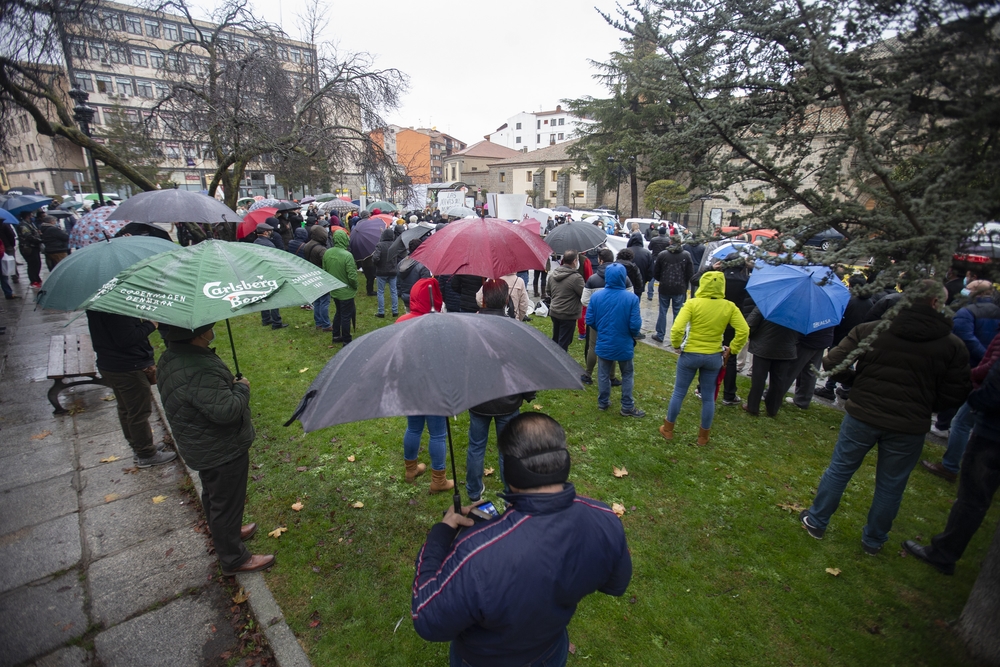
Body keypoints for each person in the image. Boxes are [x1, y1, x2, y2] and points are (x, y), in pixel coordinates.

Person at [411, 413, 632, 667]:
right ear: (564, 460)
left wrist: (441, 534)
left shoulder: (477, 554)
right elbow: (617, 583)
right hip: (550, 651)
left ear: (511, 469)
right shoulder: (605, 519)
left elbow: (427, 617)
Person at [800, 280, 971, 555]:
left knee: (843, 469)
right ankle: (870, 539)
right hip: (900, 420)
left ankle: (823, 521)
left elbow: (832, 361)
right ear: (938, 304)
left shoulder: (875, 332)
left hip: (874, 415)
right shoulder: (952, 345)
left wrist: (855, 382)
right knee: (889, 484)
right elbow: (957, 390)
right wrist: (856, 381)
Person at [156, 322, 275, 575]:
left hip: (203, 445)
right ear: (199, 334)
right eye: (210, 327)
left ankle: (226, 532)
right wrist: (242, 387)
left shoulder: (173, 355)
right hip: (220, 449)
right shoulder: (197, 368)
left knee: (215, 495)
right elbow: (227, 411)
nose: (214, 329)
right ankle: (233, 558)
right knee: (225, 501)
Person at [903, 354, 1000, 574]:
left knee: (972, 500)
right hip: (991, 433)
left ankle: (944, 554)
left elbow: (993, 393)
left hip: (992, 437)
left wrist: (974, 397)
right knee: (974, 500)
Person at [465, 280, 536, 501]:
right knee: (507, 448)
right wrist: (527, 394)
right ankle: (509, 492)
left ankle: (474, 491)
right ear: (506, 300)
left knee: (477, 446)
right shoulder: (514, 329)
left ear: (483, 299)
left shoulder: (470, 327)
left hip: (480, 398)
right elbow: (524, 365)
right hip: (506, 397)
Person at [661, 271, 749, 445]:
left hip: (690, 355)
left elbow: (677, 328)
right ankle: (703, 437)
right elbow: (744, 330)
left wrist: (677, 345)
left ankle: (668, 429)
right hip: (713, 356)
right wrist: (732, 349)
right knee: (709, 397)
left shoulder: (692, 303)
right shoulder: (729, 306)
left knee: (679, 392)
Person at [86, 310, 176, 467]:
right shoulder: (116, 310)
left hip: (111, 363)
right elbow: (126, 338)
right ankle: (146, 454)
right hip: (126, 367)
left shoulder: (100, 303)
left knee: (126, 408)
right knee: (138, 411)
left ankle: (140, 446)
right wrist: (150, 324)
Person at [396, 278, 453, 492]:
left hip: (410, 385)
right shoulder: (441, 324)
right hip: (435, 386)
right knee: (437, 433)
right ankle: (438, 479)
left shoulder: (402, 321)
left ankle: (411, 469)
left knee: (414, 427)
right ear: (436, 297)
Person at [921, 331, 1000, 482]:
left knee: (961, 423)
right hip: (984, 388)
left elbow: (992, 366)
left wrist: (970, 374)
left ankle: (950, 466)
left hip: (985, 390)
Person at [586, 263, 645, 418]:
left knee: (603, 373)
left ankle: (603, 402)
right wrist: (630, 334)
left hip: (605, 339)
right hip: (624, 341)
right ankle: (627, 406)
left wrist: (603, 328)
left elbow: (590, 319)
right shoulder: (631, 298)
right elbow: (635, 325)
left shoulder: (596, 296)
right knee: (627, 373)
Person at [815, 274, 873, 400]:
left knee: (835, 360)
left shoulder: (848, 299)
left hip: (841, 335)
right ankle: (845, 388)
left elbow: (838, 316)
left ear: (851, 285)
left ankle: (830, 387)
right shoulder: (869, 301)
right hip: (857, 337)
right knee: (848, 361)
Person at [580, 249, 629, 385]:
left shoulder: (593, 279)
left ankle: (588, 374)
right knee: (611, 344)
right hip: (616, 318)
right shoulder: (624, 279)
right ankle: (611, 377)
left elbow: (584, 300)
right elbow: (630, 296)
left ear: (600, 260)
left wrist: (598, 306)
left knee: (593, 346)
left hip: (597, 317)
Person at [742, 305, 799, 417]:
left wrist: (753, 336)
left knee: (758, 378)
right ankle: (773, 408)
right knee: (779, 380)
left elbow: (751, 323)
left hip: (764, 346)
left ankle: (753, 406)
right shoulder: (799, 308)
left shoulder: (767, 302)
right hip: (786, 348)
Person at [650, 238, 694, 343]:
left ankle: (660, 334)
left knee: (662, 311)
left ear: (670, 242)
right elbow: (690, 273)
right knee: (678, 312)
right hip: (679, 287)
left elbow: (656, 272)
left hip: (665, 286)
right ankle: (676, 336)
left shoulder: (662, 255)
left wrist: (661, 279)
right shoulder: (686, 255)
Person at [952, 279, 1000, 367]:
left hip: (971, 363)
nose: (964, 291)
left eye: (968, 288)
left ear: (978, 292)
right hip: (993, 364)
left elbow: (965, 337)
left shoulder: (966, 311)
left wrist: (985, 357)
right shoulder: (997, 309)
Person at [546, 250, 585, 351]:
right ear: (574, 261)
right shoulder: (576, 278)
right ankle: (560, 364)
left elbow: (548, 291)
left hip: (555, 311)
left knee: (556, 339)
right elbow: (584, 295)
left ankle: (554, 359)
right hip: (568, 313)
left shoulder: (553, 275)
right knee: (563, 343)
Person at [253, 223, 288, 330]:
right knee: (274, 296)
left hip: (259, 273)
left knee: (263, 295)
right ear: (265, 232)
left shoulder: (255, 242)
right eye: (269, 231)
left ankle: (266, 319)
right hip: (269, 272)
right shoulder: (269, 245)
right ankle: (276, 322)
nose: (270, 232)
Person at [299, 225, 332, 331]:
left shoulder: (307, 245)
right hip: (322, 275)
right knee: (324, 301)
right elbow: (327, 263)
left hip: (312, 274)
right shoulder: (321, 249)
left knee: (317, 300)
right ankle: (326, 324)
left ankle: (318, 323)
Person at [371, 227, 403, 317]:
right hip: (393, 271)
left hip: (381, 271)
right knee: (394, 291)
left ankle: (381, 312)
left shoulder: (380, 245)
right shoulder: (394, 245)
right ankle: (395, 311)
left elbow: (375, 258)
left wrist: (376, 263)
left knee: (380, 292)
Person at [397, 238, 432, 311]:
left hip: (406, 298)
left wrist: (400, 293)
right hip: (420, 299)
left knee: (409, 318)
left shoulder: (401, 263)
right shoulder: (423, 265)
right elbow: (426, 285)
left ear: (409, 249)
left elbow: (398, 281)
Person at [16, 212, 43, 288]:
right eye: (31, 214)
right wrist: (39, 240)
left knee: (37, 263)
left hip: (34, 247)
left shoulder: (30, 223)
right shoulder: (23, 225)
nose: (32, 216)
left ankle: (37, 278)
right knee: (32, 264)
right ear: (27, 216)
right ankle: (33, 281)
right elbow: (28, 236)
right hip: (28, 248)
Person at [646, 226, 671, 301]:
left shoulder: (654, 239)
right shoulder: (668, 240)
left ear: (659, 232)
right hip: (664, 259)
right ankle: (663, 294)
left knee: (652, 278)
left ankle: (650, 294)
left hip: (654, 258)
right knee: (663, 277)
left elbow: (650, 248)